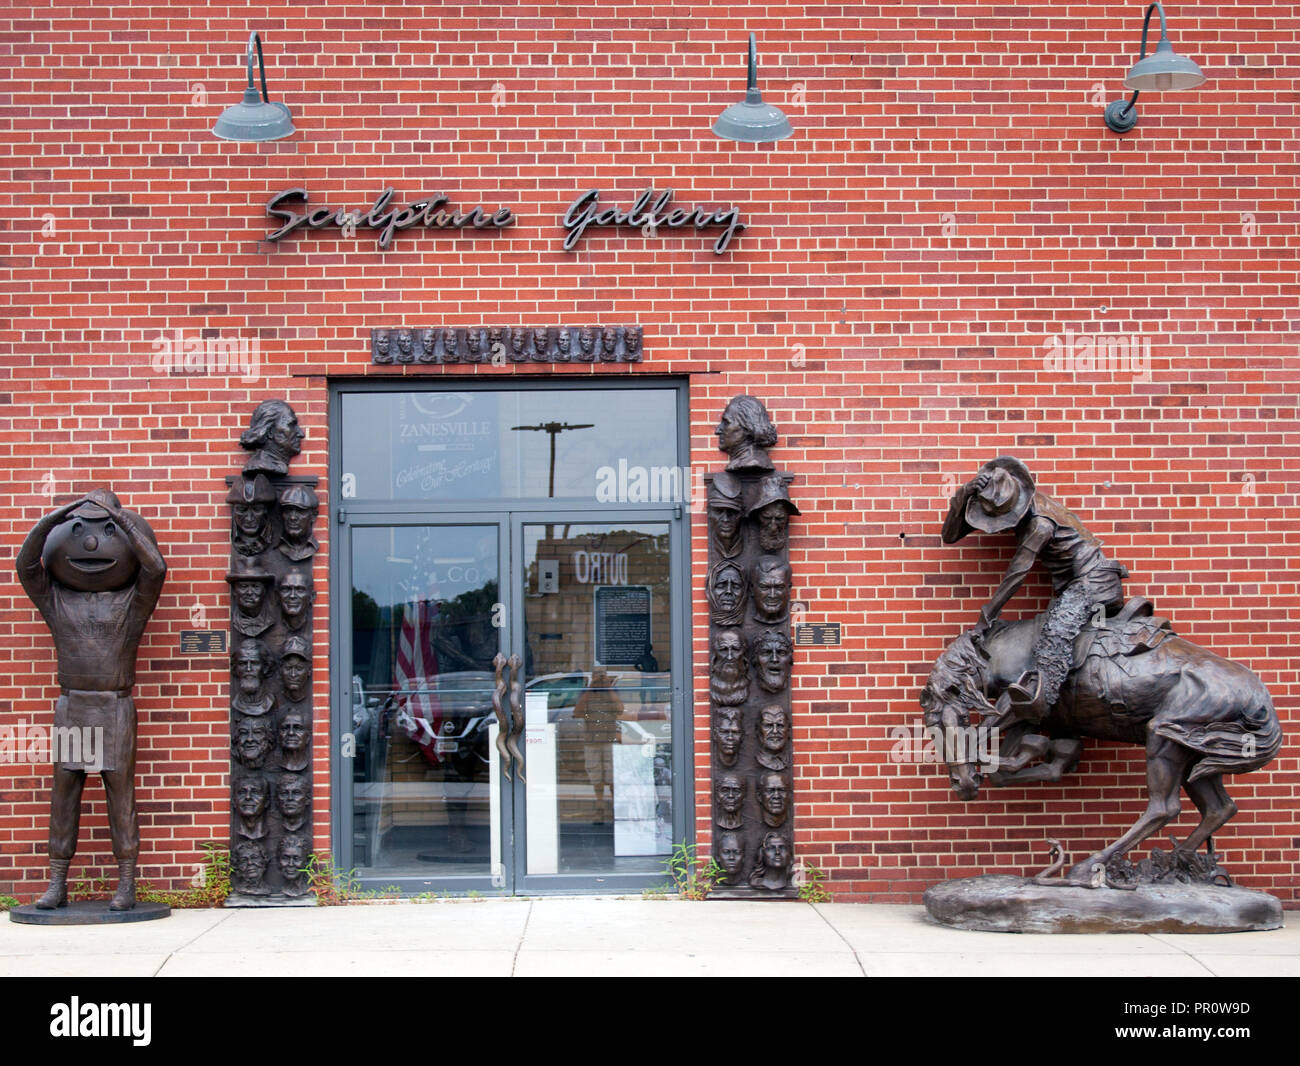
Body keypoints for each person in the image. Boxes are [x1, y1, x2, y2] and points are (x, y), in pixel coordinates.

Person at [16, 489, 166, 911]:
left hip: (114, 705)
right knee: (65, 794)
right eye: (79, 531)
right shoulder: (57, 600)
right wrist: (57, 516)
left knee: (120, 796)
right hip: (74, 705)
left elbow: (155, 568)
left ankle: (126, 883)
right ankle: (57, 882)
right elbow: (26, 565)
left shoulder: (132, 604)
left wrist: (119, 519)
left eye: (105, 533)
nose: (92, 544)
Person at [942, 457, 1128, 718]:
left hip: (1095, 586)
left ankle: (1040, 702)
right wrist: (965, 492)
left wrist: (987, 616)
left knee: (1053, 639)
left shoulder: (1040, 523)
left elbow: (1017, 573)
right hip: (1074, 589)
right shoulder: (1018, 504)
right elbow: (949, 535)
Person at [573, 668, 624, 823]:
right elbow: (578, 712)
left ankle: (616, 809)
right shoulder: (587, 692)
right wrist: (591, 686)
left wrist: (607, 686)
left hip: (609, 739)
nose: (599, 679)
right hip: (592, 740)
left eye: (602, 676)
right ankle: (599, 808)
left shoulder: (611, 692)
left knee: (612, 775)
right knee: (596, 776)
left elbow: (620, 709)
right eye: (597, 676)